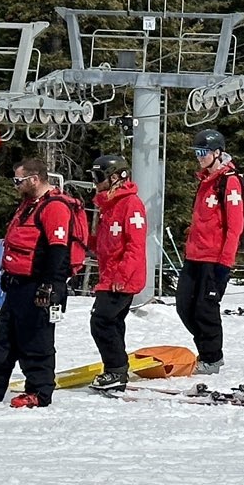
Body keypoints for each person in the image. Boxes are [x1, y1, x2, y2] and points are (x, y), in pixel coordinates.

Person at [0, 159, 75, 408]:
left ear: (34, 179)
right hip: (17, 284)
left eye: (18, 180)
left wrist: (50, 285)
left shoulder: (54, 207)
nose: (15, 185)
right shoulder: (28, 205)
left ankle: (40, 391)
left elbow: (59, 250)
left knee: (36, 340)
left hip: (38, 285)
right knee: (5, 338)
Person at [178, 128, 244, 373]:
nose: (199, 156)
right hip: (194, 256)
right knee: (184, 306)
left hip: (214, 258)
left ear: (217, 153)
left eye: (203, 152)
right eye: (197, 152)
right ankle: (206, 348)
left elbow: (235, 226)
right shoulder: (206, 181)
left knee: (206, 308)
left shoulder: (230, 181)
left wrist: (224, 264)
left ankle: (212, 356)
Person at [88, 154, 146, 393]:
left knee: (101, 321)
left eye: (98, 177)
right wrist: (84, 241)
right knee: (112, 323)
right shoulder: (109, 205)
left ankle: (116, 369)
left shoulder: (131, 204)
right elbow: (105, 243)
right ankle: (116, 368)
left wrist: (122, 276)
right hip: (110, 275)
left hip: (123, 278)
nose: (95, 182)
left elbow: (135, 244)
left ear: (115, 178)